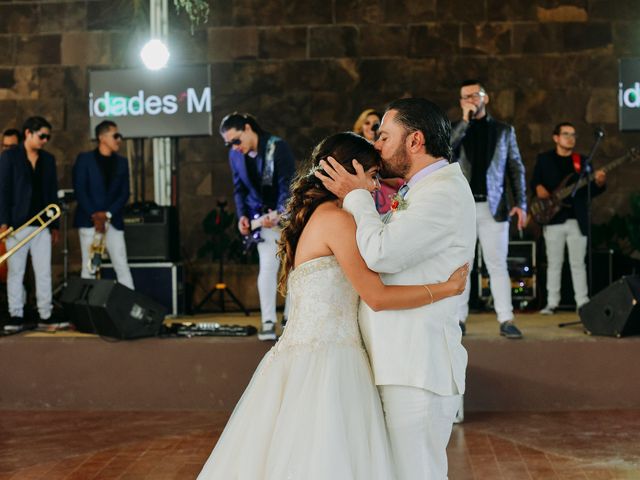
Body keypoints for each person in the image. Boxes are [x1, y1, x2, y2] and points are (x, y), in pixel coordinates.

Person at [197, 132, 470, 480]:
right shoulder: (338, 221)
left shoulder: (315, 217)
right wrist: (445, 288)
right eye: (371, 176)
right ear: (347, 173)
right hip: (330, 363)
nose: (374, 187)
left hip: (304, 356)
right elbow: (378, 296)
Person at [317, 99, 476, 479]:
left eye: (385, 136)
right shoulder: (422, 190)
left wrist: (357, 194)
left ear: (415, 141)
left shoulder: (442, 193)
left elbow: (381, 253)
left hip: (417, 367)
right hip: (400, 362)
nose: (377, 146)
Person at [451, 79, 527, 339]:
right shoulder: (456, 129)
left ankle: (506, 319)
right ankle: (459, 319)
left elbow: (515, 168)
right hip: (463, 207)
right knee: (463, 264)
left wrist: (521, 204)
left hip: (494, 207)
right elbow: (445, 155)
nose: (470, 100)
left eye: (474, 95)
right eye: (464, 97)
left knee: (497, 264)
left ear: (486, 97)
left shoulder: (504, 131)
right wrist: (464, 122)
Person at [219, 112, 295, 341]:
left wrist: (280, 212)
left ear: (248, 128)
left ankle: (290, 319)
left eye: (235, 140)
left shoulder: (277, 147)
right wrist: (242, 216)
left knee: (292, 268)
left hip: (285, 216)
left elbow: (287, 184)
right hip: (258, 218)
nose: (234, 147)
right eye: (228, 143)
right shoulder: (235, 156)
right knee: (268, 265)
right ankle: (268, 320)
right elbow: (239, 189)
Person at [531, 122, 606, 314]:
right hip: (553, 219)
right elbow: (535, 182)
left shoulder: (582, 161)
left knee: (578, 263)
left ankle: (582, 302)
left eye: (573, 134)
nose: (570, 138)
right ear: (556, 137)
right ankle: (551, 302)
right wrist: (538, 188)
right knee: (554, 263)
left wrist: (598, 183)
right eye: (566, 134)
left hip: (576, 220)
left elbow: (590, 191)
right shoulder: (544, 159)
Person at [0, 116, 59, 332]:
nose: (45, 140)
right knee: (16, 271)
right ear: (28, 133)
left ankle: (46, 313)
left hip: (42, 224)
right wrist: (3, 222)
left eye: (47, 137)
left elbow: (52, 193)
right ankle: (15, 314)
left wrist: (55, 226)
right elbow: (3, 191)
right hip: (16, 225)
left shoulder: (48, 160)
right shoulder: (9, 157)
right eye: (42, 135)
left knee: (43, 271)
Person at [73, 120, 134, 289]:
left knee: (121, 264)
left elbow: (124, 193)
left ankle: (129, 308)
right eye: (115, 136)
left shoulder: (121, 162)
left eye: (119, 136)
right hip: (89, 221)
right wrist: (95, 215)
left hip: (112, 221)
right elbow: (80, 189)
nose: (118, 140)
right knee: (90, 265)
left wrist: (107, 215)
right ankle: (89, 310)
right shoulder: (84, 159)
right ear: (102, 137)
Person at [353, 108, 402, 214]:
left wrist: (377, 177)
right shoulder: (353, 148)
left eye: (376, 124)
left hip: (385, 194)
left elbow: (400, 180)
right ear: (361, 126)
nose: (371, 127)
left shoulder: (387, 149)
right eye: (367, 123)